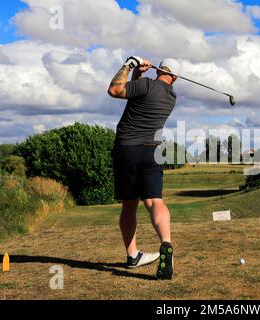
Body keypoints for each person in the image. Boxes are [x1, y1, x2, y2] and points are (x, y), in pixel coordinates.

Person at [107, 56, 180, 280]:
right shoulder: (171, 96)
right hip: (152, 150)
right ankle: (166, 243)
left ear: (158, 69)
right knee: (154, 201)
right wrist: (140, 75)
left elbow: (115, 90)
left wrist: (129, 66)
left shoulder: (147, 85)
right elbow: (136, 95)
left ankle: (133, 256)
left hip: (127, 149)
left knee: (129, 205)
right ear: (175, 77)